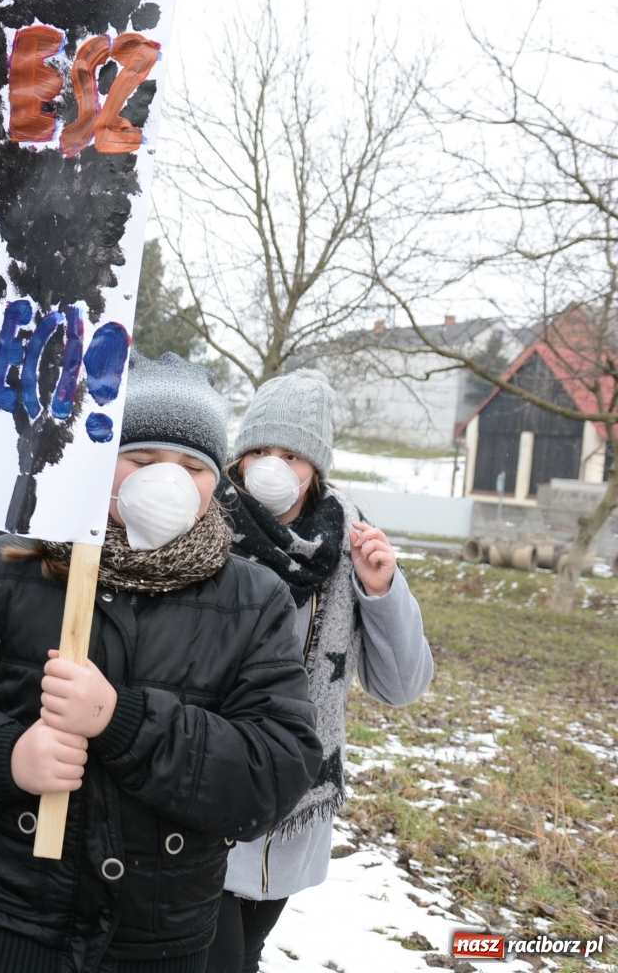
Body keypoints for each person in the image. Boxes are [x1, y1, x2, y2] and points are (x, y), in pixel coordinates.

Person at [0, 353, 323, 973]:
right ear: (101, 461)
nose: (167, 482)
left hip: (155, 938)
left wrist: (122, 721)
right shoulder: (6, 570)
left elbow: (274, 773)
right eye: (143, 460)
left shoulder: (253, 600)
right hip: (2, 919)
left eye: (193, 466)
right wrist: (5, 757)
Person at [209, 369, 433, 973]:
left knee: (247, 951)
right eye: (257, 450)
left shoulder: (348, 541)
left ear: (317, 464)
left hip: (292, 799)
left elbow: (401, 684)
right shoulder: (204, 525)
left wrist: (382, 588)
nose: (270, 466)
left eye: (290, 454)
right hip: (206, 786)